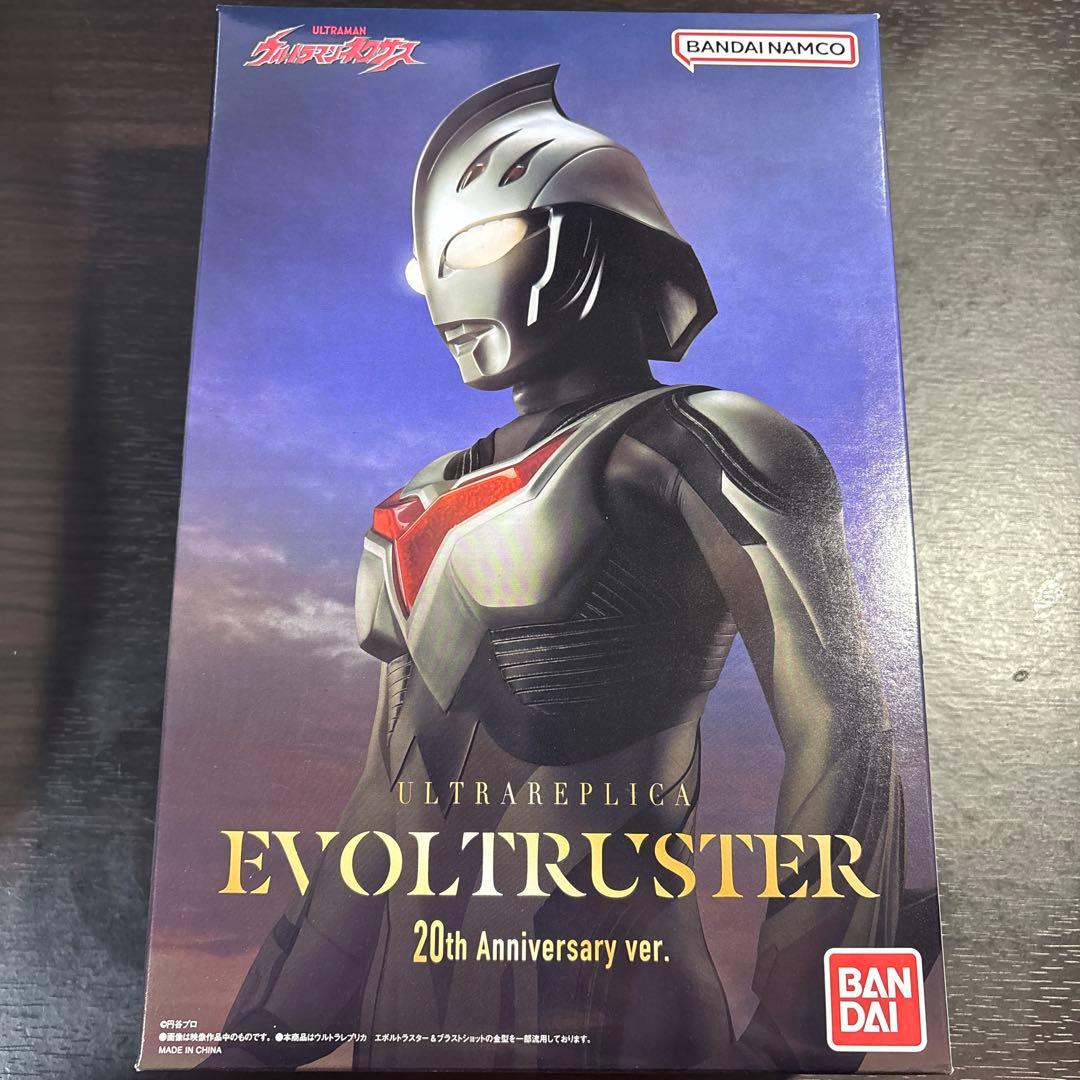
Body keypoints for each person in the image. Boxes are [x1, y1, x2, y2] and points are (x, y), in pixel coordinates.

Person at [210, 65, 902, 1071]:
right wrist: (262, 1040)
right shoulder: (424, 495)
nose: (444, 288)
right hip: (407, 1036)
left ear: (591, 241)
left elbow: (842, 726)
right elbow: (386, 798)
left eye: (478, 244)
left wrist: (802, 1032)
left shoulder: (701, 439)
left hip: (616, 1021)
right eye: (425, 268)